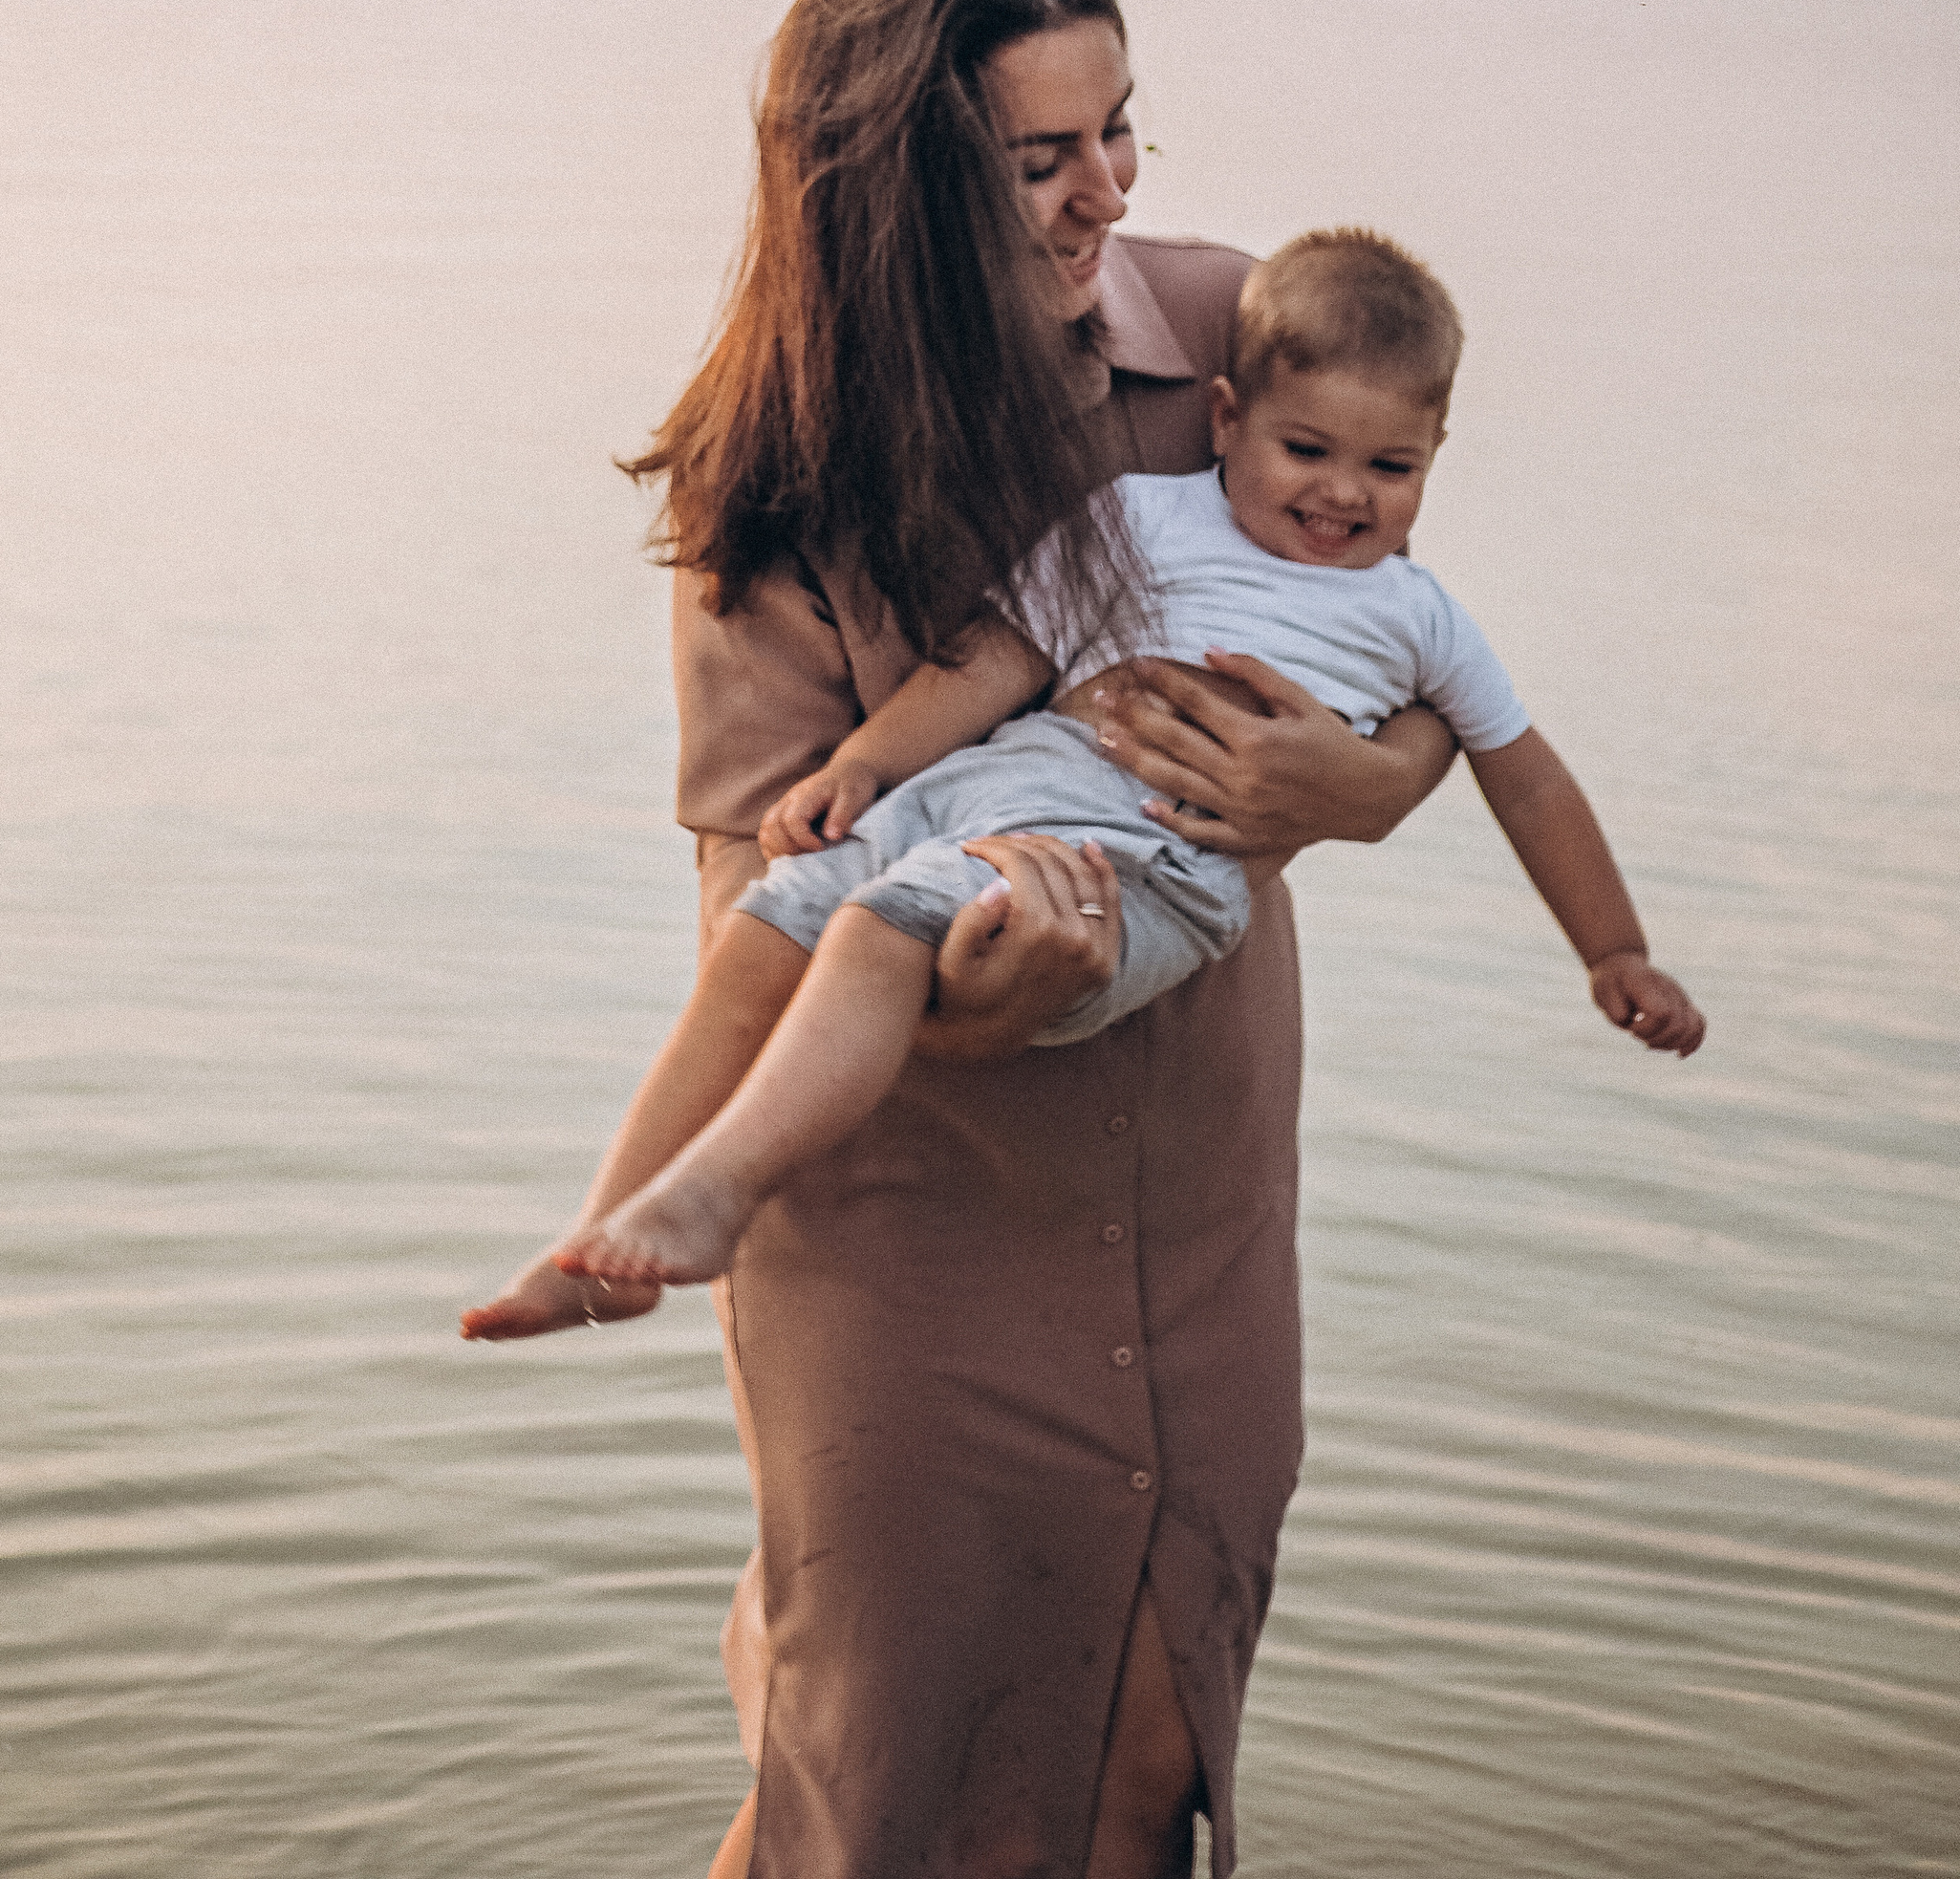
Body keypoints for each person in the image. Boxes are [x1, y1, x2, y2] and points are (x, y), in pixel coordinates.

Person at [468, 0, 1469, 1879]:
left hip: (1193, 1193)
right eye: (1039, 160)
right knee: (873, 1789)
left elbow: (1423, 666)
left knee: (1150, 1754)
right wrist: (969, 998)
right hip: (905, 1226)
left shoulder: (1233, 339)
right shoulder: (768, 489)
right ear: (902, 188)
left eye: (1121, 131)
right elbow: (757, 892)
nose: (1104, 190)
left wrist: (1348, 789)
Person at [469, 227, 1701, 1313]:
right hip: (989, 789)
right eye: (1306, 449)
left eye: (1391, 469)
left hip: (1150, 861)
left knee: (870, 936)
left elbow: (1525, 774)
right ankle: (602, 1229)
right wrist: (859, 769)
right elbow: (992, 664)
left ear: (1435, 456)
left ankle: (716, 1198)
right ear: (1227, 421)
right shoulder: (1140, 516)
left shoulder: (1418, 615)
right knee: (766, 926)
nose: (1340, 495)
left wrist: (1613, 949)